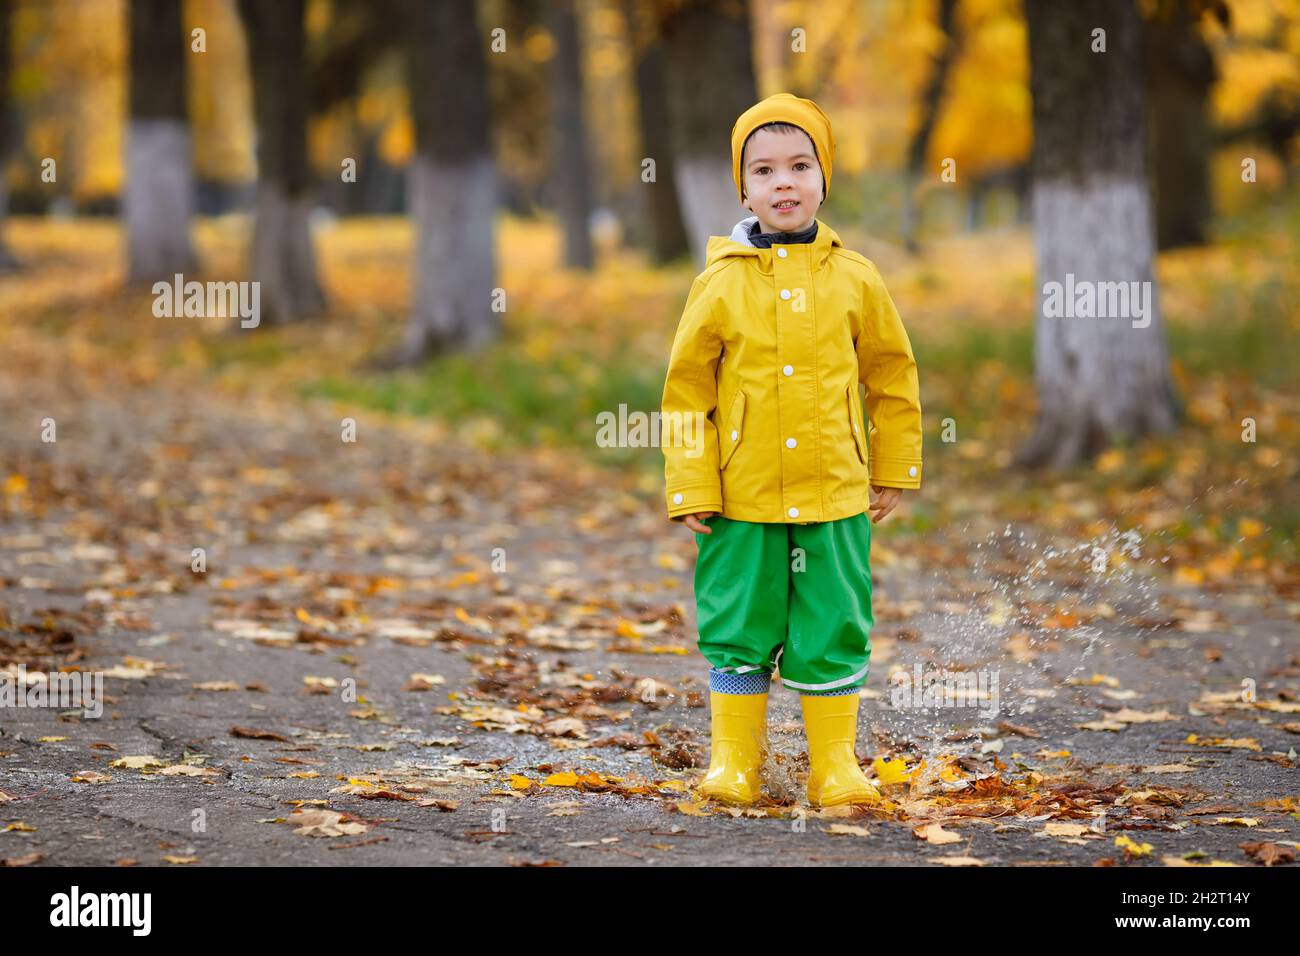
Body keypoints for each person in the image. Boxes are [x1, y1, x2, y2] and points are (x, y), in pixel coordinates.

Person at [660, 93, 923, 807]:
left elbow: (891, 378)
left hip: (836, 491)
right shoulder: (719, 283)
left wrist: (894, 466)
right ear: (743, 188)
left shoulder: (857, 279)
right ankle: (734, 764)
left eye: (800, 165)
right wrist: (690, 485)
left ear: (823, 179)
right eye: (765, 169)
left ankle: (834, 765)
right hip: (741, 497)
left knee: (833, 621)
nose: (784, 182)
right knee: (738, 623)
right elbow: (687, 394)